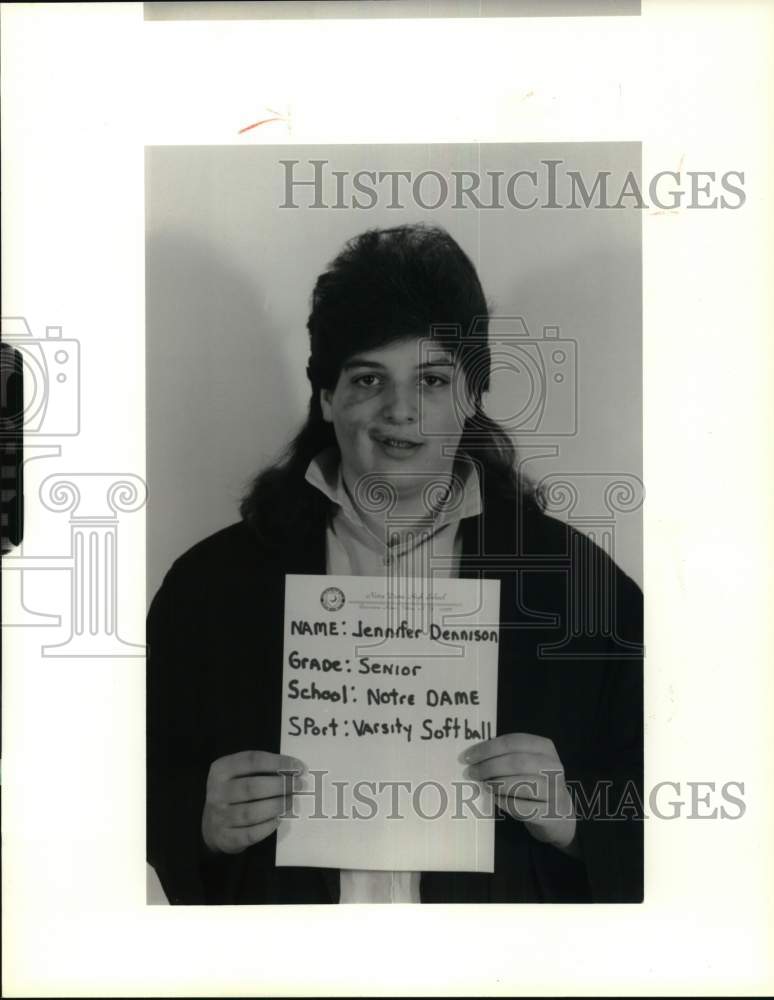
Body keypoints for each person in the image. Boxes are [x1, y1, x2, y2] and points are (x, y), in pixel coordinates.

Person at [147, 223, 643, 905]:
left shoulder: (581, 589)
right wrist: (193, 822)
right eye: (369, 377)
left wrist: (581, 817)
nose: (401, 411)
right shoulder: (208, 590)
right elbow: (119, 795)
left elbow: (686, 827)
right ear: (326, 396)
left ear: (472, 397)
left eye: (433, 379)